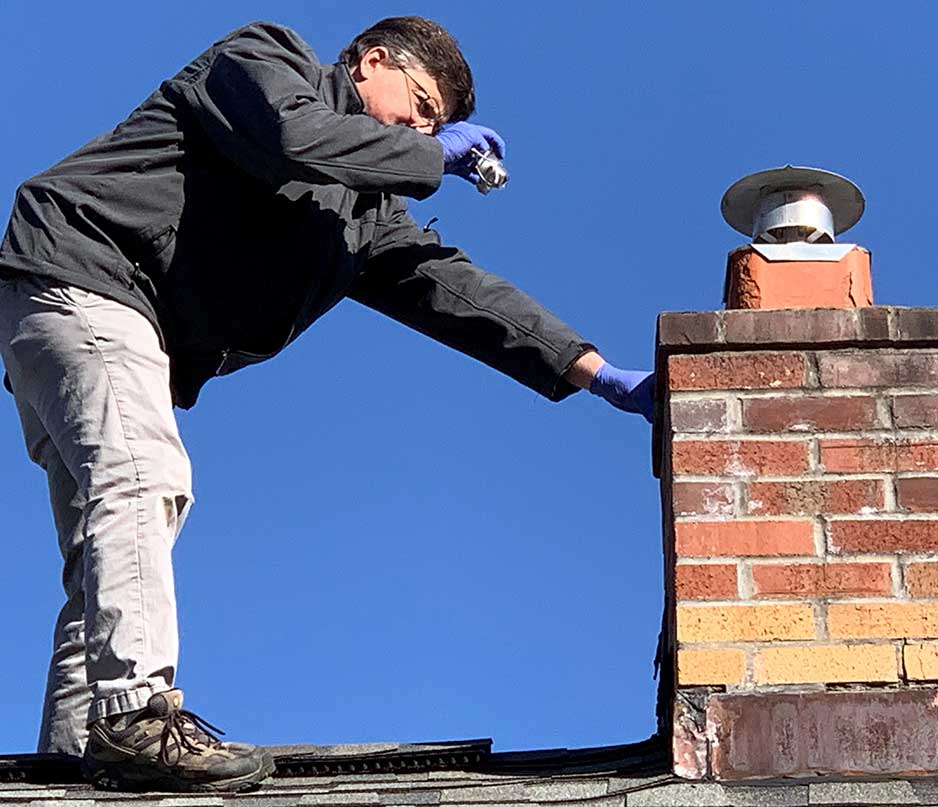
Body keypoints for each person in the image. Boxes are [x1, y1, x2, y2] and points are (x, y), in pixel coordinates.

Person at [0, 17, 654, 793]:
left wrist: (597, 371)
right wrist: (427, 156)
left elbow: (453, 290)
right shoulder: (265, 61)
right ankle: (137, 716)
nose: (421, 128)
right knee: (144, 478)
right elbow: (291, 138)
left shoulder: (361, 213)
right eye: (417, 105)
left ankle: (78, 762)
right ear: (370, 60)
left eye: (435, 123)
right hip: (82, 270)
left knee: (111, 548)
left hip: (80, 310)